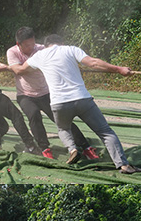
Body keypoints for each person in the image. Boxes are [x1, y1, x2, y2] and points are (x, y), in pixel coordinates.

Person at [17, 34, 141, 173]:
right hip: (82, 99)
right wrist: (119, 69)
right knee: (106, 132)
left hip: (60, 103)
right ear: (61, 43)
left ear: (46, 46)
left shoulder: (39, 55)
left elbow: (20, 69)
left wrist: (5, 67)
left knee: (63, 129)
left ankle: (73, 149)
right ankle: (123, 165)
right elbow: (93, 63)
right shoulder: (71, 49)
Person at [7, 27, 100, 162]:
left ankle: (85, 146)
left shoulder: (41, 49)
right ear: (18, 44)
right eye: (27, 46)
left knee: (62, 119)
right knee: (34, 115)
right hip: (25, 94)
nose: (31, 47)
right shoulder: (12, 52)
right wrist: (37, 65)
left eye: (32, 44)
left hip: (46, 92)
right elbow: (18, 70)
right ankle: (45, 148)